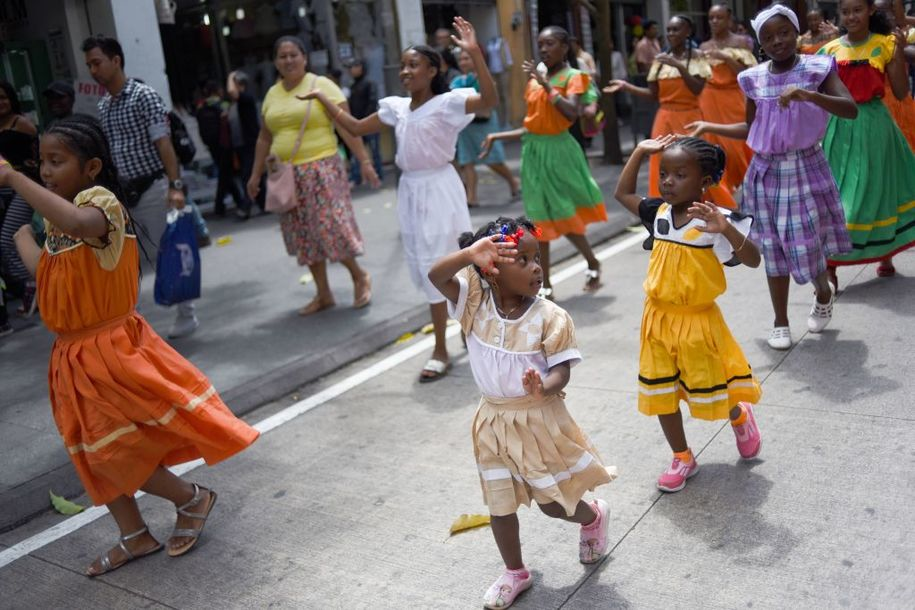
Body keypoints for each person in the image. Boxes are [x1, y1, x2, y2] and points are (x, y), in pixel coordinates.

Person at [5, 114, 258, 577]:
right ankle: (134, 535)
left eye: (56, 161)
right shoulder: (57, 217)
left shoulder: (98, 205)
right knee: (90, 449)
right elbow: (48, 272)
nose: (45, 170)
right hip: (71, 353)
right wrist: (18, 233)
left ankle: (191, 497)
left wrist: (13, 178)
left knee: (115, 450)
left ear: (92, 167)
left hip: (109, 349)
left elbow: (82, 224)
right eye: (40, 161)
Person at [427, 215, 615, 610]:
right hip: (492, 421)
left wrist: (540, 386)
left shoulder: (551, 316)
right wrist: (468, 254)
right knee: (500, 503)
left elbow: (562, 370)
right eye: (524, 260)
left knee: (551, 503)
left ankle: (591, 517)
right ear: (491, 272)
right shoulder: (475, 300)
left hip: (537, 418)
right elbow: (434, 274)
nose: (537, 267)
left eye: (536, 257)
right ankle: (515, 571)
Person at [299, 17, 497, 382]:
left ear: (433, 69)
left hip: (440, 189)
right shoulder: (397, 108)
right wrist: (323, 99)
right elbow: (356, 126)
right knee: (427, 267)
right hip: (410, 192)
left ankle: (456, 340)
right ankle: (450, 341)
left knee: (450, 264)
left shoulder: (448, 103)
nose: (405, 72)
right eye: (403, 66)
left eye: (413, 65)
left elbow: (489, 100)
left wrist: (474, 54)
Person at [688, 4, 858, 350]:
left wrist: (808, 95)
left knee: (807, 244)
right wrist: (709, 125)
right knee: (774, 248)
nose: (778, 40)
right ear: (760, 44)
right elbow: (752, 127)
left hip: (807, 165)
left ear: (796, 33)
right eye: (768, 37)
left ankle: (822, 290)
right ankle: (780, 320)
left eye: (784, 33)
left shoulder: (817, 68)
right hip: (766, 170)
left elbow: (850, 109)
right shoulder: (753, 78)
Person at [613, 135, 763, 493]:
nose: (668, 181)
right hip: (658, 320)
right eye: (664, 173)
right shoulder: (658, 213)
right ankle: (682, 456)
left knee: (711, 386)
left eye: (680, 175)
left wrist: (725, 228)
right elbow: (622, 194)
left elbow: (754, 260)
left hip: (698, 321)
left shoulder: (717, 219)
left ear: (706, 182)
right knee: (662, 391)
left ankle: (738, 415)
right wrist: (638, 152)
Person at [247, 36, 378, 316]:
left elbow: (347, 127)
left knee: (332, 228)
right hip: (286, 175)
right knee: (303, 236)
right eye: (282, 56)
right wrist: (255, 174)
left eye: (294, 54)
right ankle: (324, 293)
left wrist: (364, 161)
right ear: (275, 62)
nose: (288, 60)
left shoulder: (322, 85)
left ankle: (359, 275)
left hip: (322, 170)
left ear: (304, 58)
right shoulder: (272, 94)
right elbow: (264, 137)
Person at [83, 35, 200, 339]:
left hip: (152, 187)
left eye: (97, 63)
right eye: (89, 65)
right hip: (124, 193)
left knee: (168, 250)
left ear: (116, 60)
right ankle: (131, 323)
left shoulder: (143, 96)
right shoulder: (104, 105)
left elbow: (164, 143)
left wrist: (175, 186)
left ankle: (186, 314)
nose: (93, 70)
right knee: (124, 258)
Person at [481, 26, 607, 298]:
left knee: (562, 214)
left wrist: (546, 83)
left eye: (550, 44)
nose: (544, 49)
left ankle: (592, 261)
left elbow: (571, 112)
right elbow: (532, 125)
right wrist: (497, 136)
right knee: (538, 222)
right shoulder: (533, 80)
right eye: (541, 44)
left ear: (565, 47)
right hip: (533, 153)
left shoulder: (575, 76)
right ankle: (545, 284)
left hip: (560, 153)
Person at [818, 0, 915, 281]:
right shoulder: (829, 50)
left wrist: (897, 54)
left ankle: (884, 254)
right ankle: (831, 265)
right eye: (846, 11)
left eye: (857, 10)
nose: (851, 16)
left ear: (870, 11)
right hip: (838, 127)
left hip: (874, 126)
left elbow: (898, 92)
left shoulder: (885, 44)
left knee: (876, 190)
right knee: (839, 196)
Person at [606, 16, 738, 209]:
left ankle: (713, 209)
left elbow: (697, 89)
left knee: (695, 165)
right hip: (664, 118)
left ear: (688, 32)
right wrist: (626, 87)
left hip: (690, 119)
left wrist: (677, 65)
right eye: (668, 30)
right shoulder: (660, 60)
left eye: (676, 29)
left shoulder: (698, 56)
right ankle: (662, 210)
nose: (670, 34)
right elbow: (653, 95)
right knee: (663, 166)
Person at [698, 4, 757, 194]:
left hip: (734, 99)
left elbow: (746, 74)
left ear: (729, 19)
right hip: (709, 100)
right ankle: (722, 192)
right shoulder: (703, 46)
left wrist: (724, 57)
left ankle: (748, 187)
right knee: (713, 148)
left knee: (738, 147)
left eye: (719, 17)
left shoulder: (742, 42)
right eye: (711, 18)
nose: (714, 21)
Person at [451, 49, 519, 207]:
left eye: (467, 58)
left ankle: (513, 182)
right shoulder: (457, 81)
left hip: (484, 124)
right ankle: (472, 197)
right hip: (466, 126)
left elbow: (489, 101)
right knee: (466, 161)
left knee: (492, 159)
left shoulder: (484, 79)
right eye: (461, 59)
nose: (463, 62)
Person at [0, 80, 39, 327]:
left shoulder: (22, 124)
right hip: (4, 193)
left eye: (4, 97)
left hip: (25, 188)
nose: (1, 103)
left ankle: (34, 285)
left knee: (7, 239)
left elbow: (38, 156)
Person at [196, 80, 246, 217]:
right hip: (225, 144)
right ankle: (223, 205)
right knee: (226, 174)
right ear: (218, 91)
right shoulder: (223, 105)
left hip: (212, 146)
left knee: (225, 174)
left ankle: (236, 202)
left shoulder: (201, 107)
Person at [875, 0, 915, 151]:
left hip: (899, 103)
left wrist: (902, 48)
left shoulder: (894, 38)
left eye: (888, 10)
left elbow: (901, 19)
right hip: (876, 107)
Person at [226, 70, 264, 218]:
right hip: (245, 144)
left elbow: (231, 92)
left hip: (251, 143)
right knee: (255, 174)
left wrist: (230, 76)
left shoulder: (246, 98)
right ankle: (262, 203)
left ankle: (246, 206)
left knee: (248, 175)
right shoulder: (240, 102)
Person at [346, 59, 384, 186]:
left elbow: (372, 102)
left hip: (369, 124)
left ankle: (379, 175)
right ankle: (357, 178)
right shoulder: (353, 86)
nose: (353, 69)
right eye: (351, 67)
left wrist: (364, 120)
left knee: (375, 151)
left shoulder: (369, 84)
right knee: (357, 153)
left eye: (356, 66)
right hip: (357, 126)